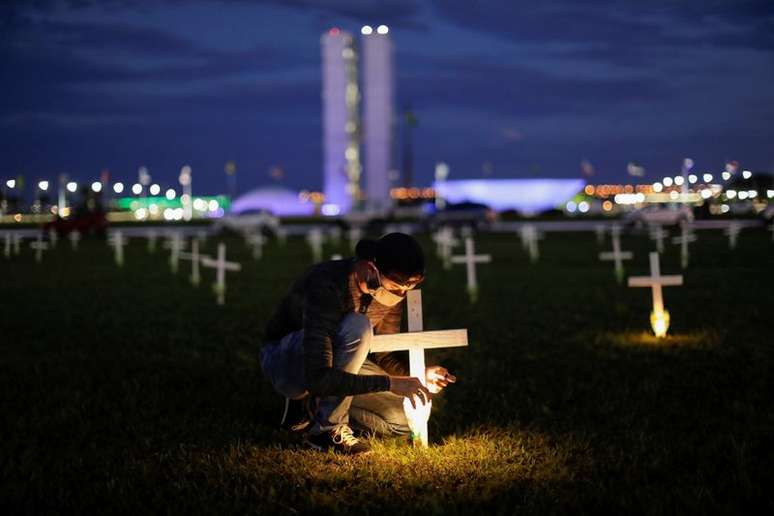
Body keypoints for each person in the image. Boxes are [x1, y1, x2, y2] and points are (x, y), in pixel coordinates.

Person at [260, 232, 456, 454]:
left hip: (340, 362)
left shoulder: (390, 293)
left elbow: (385, 356)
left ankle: (315, 408)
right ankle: (325, 430)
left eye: (406, 290)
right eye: (396, 287)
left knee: (402, 418)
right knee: (358, 325)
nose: (400, 295)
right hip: (291, 359)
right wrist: (390, 384)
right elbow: (318, 376)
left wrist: (418, 375)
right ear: (371, 268)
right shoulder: (327, 283)